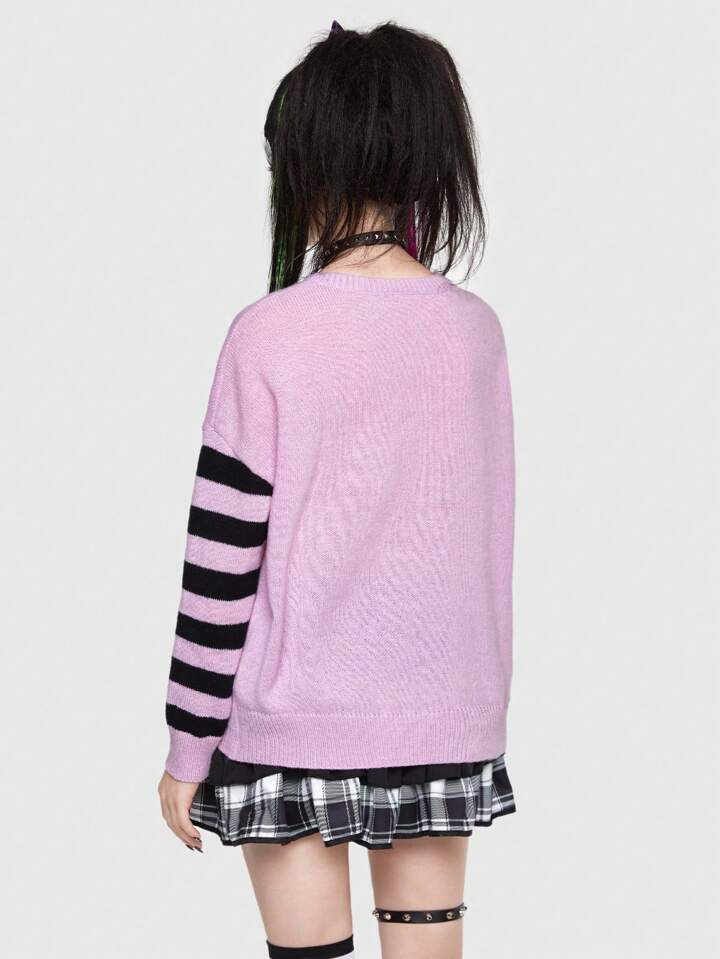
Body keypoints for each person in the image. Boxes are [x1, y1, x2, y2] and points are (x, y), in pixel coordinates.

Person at [158, 20, 517, 959]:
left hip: (291, 731)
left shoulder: (269, 334)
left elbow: (221, 561)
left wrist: (188, 747)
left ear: (306, 162)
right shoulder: (474, 334)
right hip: (442, 721)